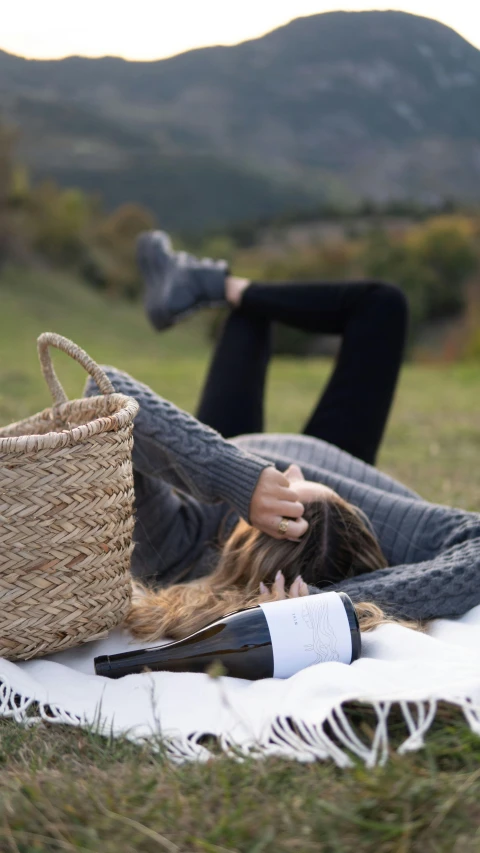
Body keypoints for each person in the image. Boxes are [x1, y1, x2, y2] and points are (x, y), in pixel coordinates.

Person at [85, 232, 480, 642]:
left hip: (228, 446)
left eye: (285, 490)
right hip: (334, 456)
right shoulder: (371, 537)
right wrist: (342, 600)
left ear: (242, 540)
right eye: (307, 482)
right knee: (383, 305)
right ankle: (215, 286)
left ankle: (208, 285)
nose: (288, 469)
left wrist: (239, 481)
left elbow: (103, 392)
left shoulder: (173, 552)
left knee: (248, 317)